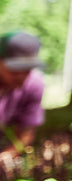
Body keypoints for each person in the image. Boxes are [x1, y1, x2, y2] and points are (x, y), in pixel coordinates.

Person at [0, 31, 45, 165]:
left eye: (26, 70)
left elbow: (26, 133)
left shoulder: (33, 83)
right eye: (14, 69)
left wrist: (6, 155)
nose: (21, 76)